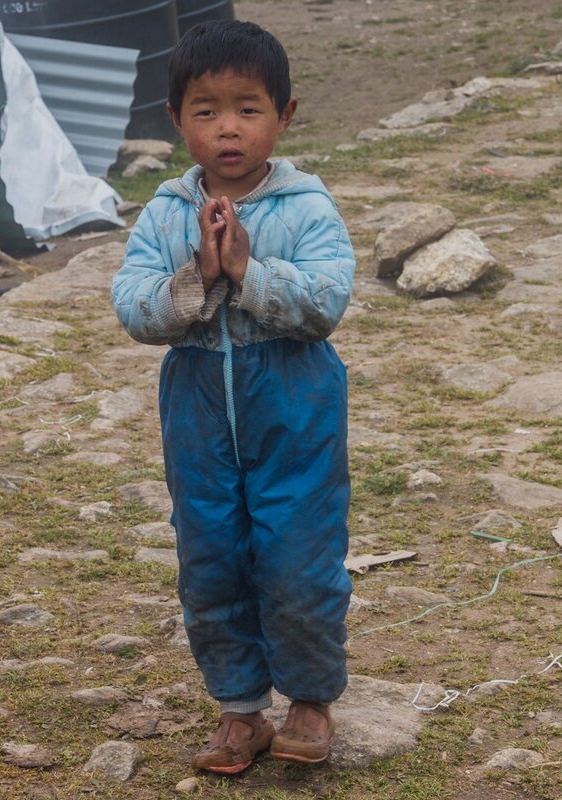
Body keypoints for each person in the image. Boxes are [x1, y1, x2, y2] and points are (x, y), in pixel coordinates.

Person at [111, 19, 356, 775]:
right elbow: (133, 304)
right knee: (211, 555)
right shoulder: (163, 214)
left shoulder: (306, 207)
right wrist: (197, 280)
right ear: (176, 119)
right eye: (206, 109)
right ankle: (239, 708)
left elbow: (326, 303)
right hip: (198, 410)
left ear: (285, 116)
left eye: (248, 108)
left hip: (294, 401)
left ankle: (310, 700)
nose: (227, 128)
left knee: (297, 557)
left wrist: (250, 274)